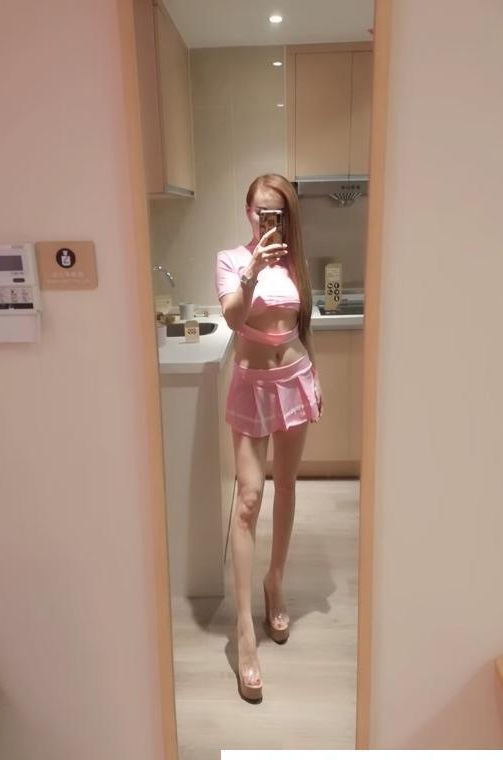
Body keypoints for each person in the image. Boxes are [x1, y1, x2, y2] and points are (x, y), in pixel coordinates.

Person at [215, 173, 323, 702]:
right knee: (248, 500)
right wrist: (253, 271)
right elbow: (234, 319)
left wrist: (315, 375)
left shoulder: (296, 262)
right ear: (247, 212)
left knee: (288, 485)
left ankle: (274, 580)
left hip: (295, 377)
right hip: (251, 385)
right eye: (260, 211)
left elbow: (301, 325)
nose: (267, 220)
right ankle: (243, 631)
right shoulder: (231, 260)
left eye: (276, 211)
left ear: (288, 215)